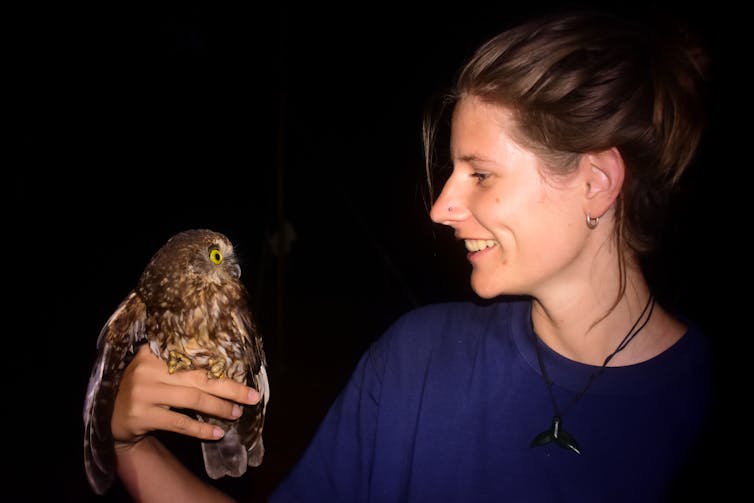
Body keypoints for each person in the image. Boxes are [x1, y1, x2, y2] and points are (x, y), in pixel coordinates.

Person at [105, 8, 714, 502]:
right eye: (454, 170)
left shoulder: (698, 407)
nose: (441, 206)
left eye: (479, 174)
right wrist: (133, 447)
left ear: (597, 183)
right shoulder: (415, 359)